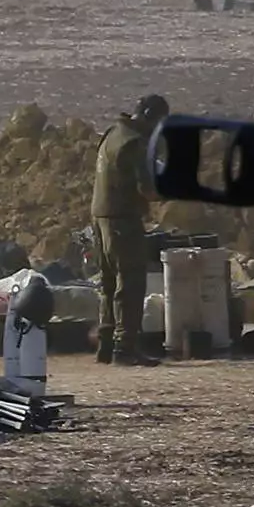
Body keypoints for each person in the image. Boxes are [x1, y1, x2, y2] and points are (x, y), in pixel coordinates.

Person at [90, 93, 167, 365]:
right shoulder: (135, 144)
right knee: (131, 281)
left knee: (108, 283)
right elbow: (147, 189)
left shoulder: (113, 133)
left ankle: (106, 343)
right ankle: (125, 348)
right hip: (122, 218)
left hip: (100, 217)